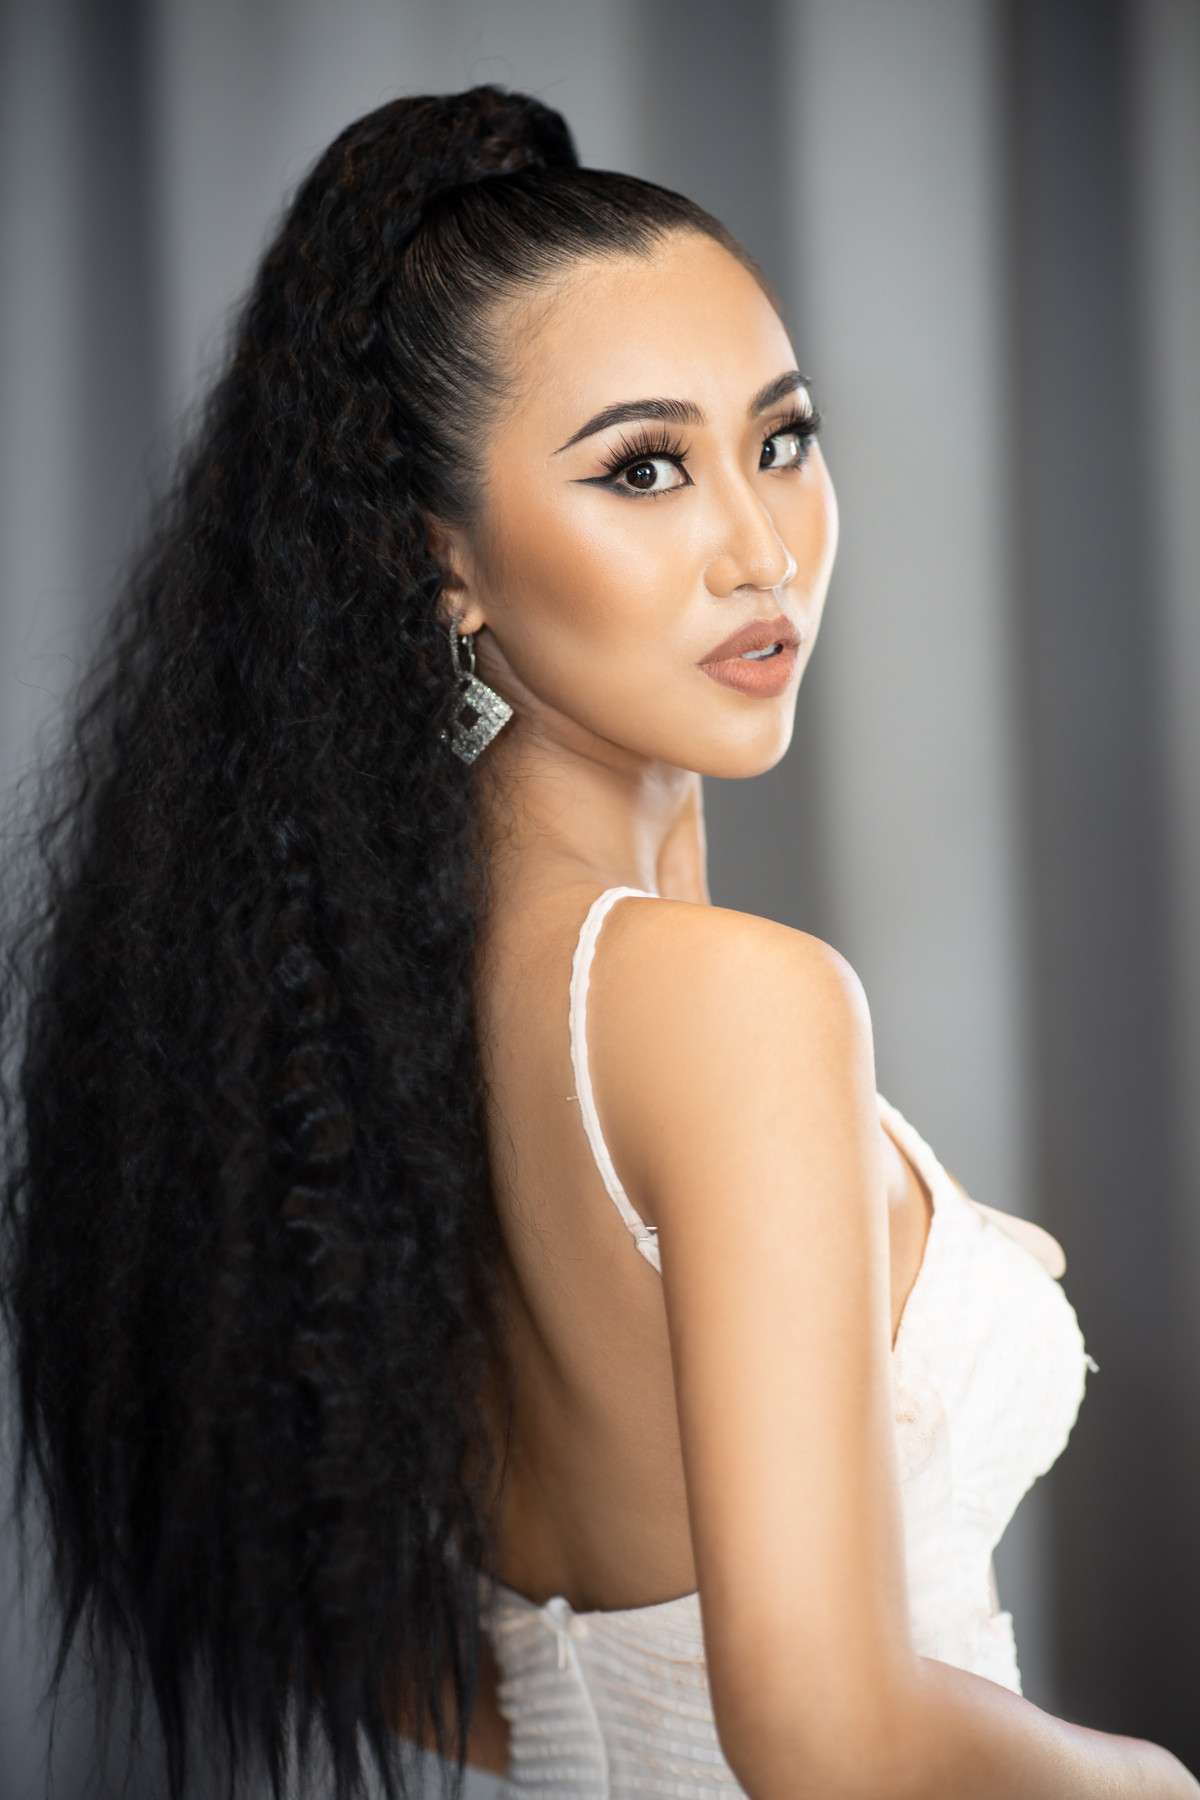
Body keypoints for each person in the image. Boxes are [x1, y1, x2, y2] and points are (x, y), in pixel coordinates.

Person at [2, 84, 1195, 1800]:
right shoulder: (733, 1011)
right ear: (442, 564)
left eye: (781, 439)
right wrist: (1153, 1783)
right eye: (644, 468)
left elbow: (404, 1651)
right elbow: (829, 1739)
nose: (760, 548)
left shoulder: (361, 1007)